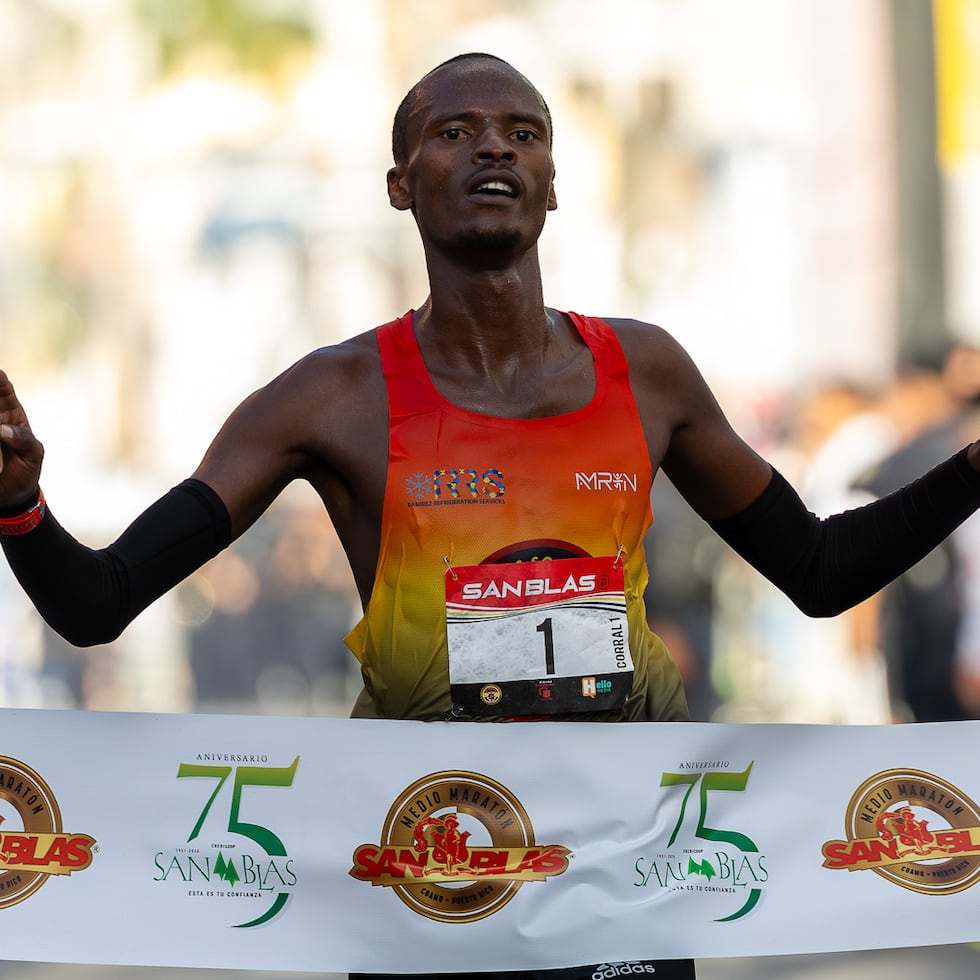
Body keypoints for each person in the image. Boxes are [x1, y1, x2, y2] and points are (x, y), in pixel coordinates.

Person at [2, 52, 980, 980]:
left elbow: (820, 568)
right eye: (454, 130)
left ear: (552, 183)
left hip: (620, 871)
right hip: (432, 877)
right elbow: (99, 601)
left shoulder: (646, 373)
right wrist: (19, 506)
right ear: (399, 185)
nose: (493, 148)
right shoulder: (327, 399)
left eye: (523, 132)